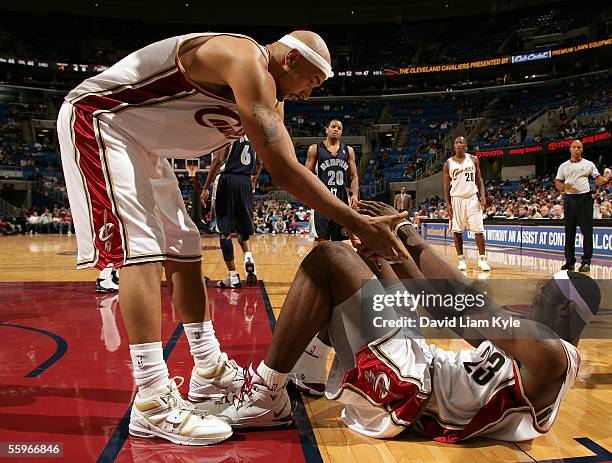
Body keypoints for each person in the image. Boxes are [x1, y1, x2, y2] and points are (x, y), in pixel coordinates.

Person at [57, 31, 409, 446]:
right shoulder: (243, 58)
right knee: (142, 250)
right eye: (312, 81)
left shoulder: (272, 93)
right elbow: (282, 170)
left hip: (142, 143)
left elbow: (290, 162)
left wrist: (351, 218)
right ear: (292, 59)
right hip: (101, 119)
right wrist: (355, 221)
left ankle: (206, 371)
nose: (309, 95)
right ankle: (150, 399)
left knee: (185, 247)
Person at [204, 200, 599, 444]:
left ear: (566, 309)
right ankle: (307, 370)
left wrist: (406, 234)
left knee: (331, 260)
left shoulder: (549, 353)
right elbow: (445, 304)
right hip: (421, 367)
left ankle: (266, 394)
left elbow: (456, 306)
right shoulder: (543, 348)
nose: (535, 295)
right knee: (363, 262)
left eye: (545, 292)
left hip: (413, 392)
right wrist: (389, 248)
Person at [201, 136, 262, 288]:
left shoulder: (229, 131)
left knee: (225, 231)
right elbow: (260, 162)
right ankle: (249, 258)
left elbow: (218, 160)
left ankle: (233, 275)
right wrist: (254, 179)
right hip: (245, 181)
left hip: (227, 179)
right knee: (242, 229)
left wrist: (205, 187)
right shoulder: (253, 135)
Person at [555, 140, 611, 272]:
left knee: (587, 232)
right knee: (569, 232)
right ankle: (569, 261)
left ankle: (586, 262)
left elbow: (597, 179)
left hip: (585, 199)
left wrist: (604, 180)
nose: (576, 149)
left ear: (582, 149)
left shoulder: (589, 164)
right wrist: (564, 186)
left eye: (579, 147)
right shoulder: (563, 166)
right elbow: (558, 182)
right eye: (574, 147)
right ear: (570, 149)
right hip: (569, 199)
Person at [306, 119, 359, 242]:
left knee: (341, 239)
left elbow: (354, 176)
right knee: (320, 238)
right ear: (327, 129)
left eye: (339, 128)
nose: (336, 129)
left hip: (342, 197)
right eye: (333, 126)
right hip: (322, 196)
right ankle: (317, 261)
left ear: (341, 132)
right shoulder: (315, 149)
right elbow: (306, 174)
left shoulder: (349, 150)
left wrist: (355, 195)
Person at [443, 136, 490, 271]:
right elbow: (446, 186)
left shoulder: (473, 159)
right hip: (456, 199)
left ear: (465, 145)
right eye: (456, 142)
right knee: (457, 231)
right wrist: (448, 203)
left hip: (472, 198)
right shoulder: (448, 163)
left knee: (479, 230)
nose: (458, 144)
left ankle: (482, 260)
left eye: (461, 142)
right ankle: (461, 260)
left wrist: (482, 196)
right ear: (454, 146)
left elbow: (479, 179)